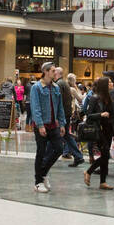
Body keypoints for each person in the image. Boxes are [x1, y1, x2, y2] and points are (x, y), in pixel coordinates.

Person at [30, 61, 66, 193]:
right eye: (52, 71)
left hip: (53, 125)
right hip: (41, 125)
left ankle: (43, 173)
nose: (55, 73)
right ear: (45, 71)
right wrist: (40, 125)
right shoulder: (37, 88)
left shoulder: (56, 88)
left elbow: (60, 107)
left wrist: (62, 123)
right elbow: (35, 107)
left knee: (59, 149)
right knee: (41, 152)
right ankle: (38, 182)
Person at [82, 76, 114, 191]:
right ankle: (89, 171)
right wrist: (100, 115)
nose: (112, 84)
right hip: (99, 130)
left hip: (108, 130)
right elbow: (89, 116)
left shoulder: (110, 97)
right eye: (110, 82)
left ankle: (103, 182)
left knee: (105, 156)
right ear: (105, 85)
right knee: (106, 155)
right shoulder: (94, 98)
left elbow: (112, 116)